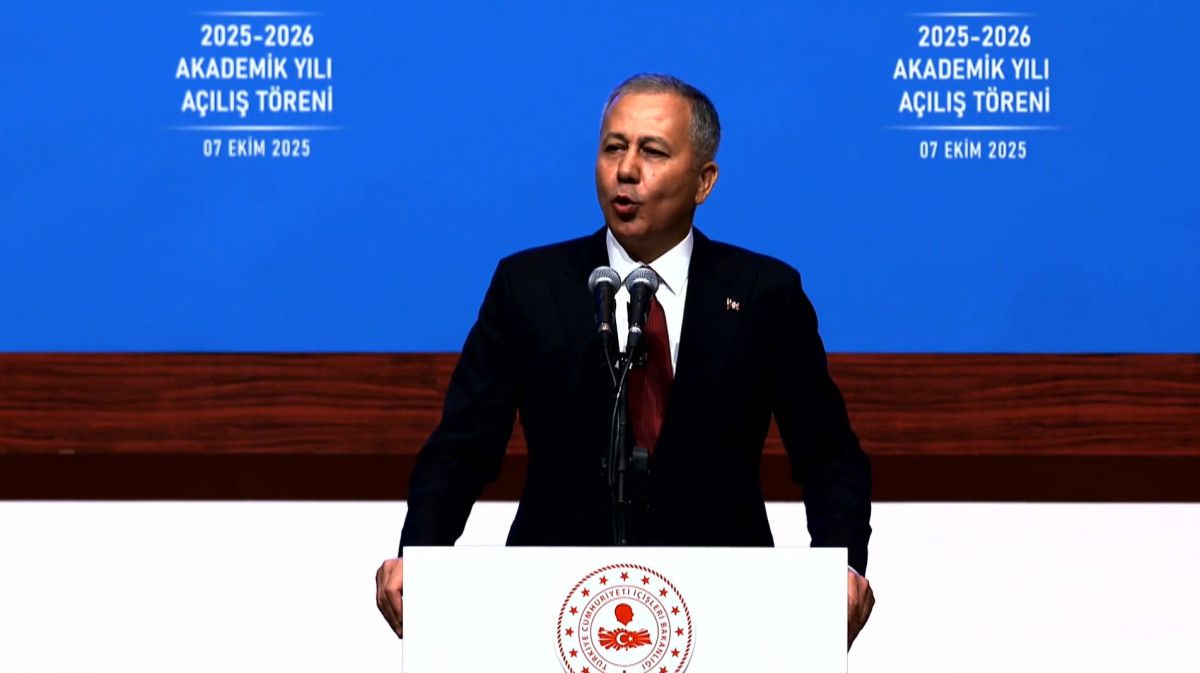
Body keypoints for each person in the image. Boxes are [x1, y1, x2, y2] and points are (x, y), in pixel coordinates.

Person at [376, 73, 874, 648]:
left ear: (704, 181)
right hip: (552, 610)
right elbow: (463, 448)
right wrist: (420, 552)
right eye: (614, 147)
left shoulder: (763, 293)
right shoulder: (531, 286)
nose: (626, 169)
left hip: (724, 611)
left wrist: (842, 566)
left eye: (652, 152)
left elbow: (828, 456)